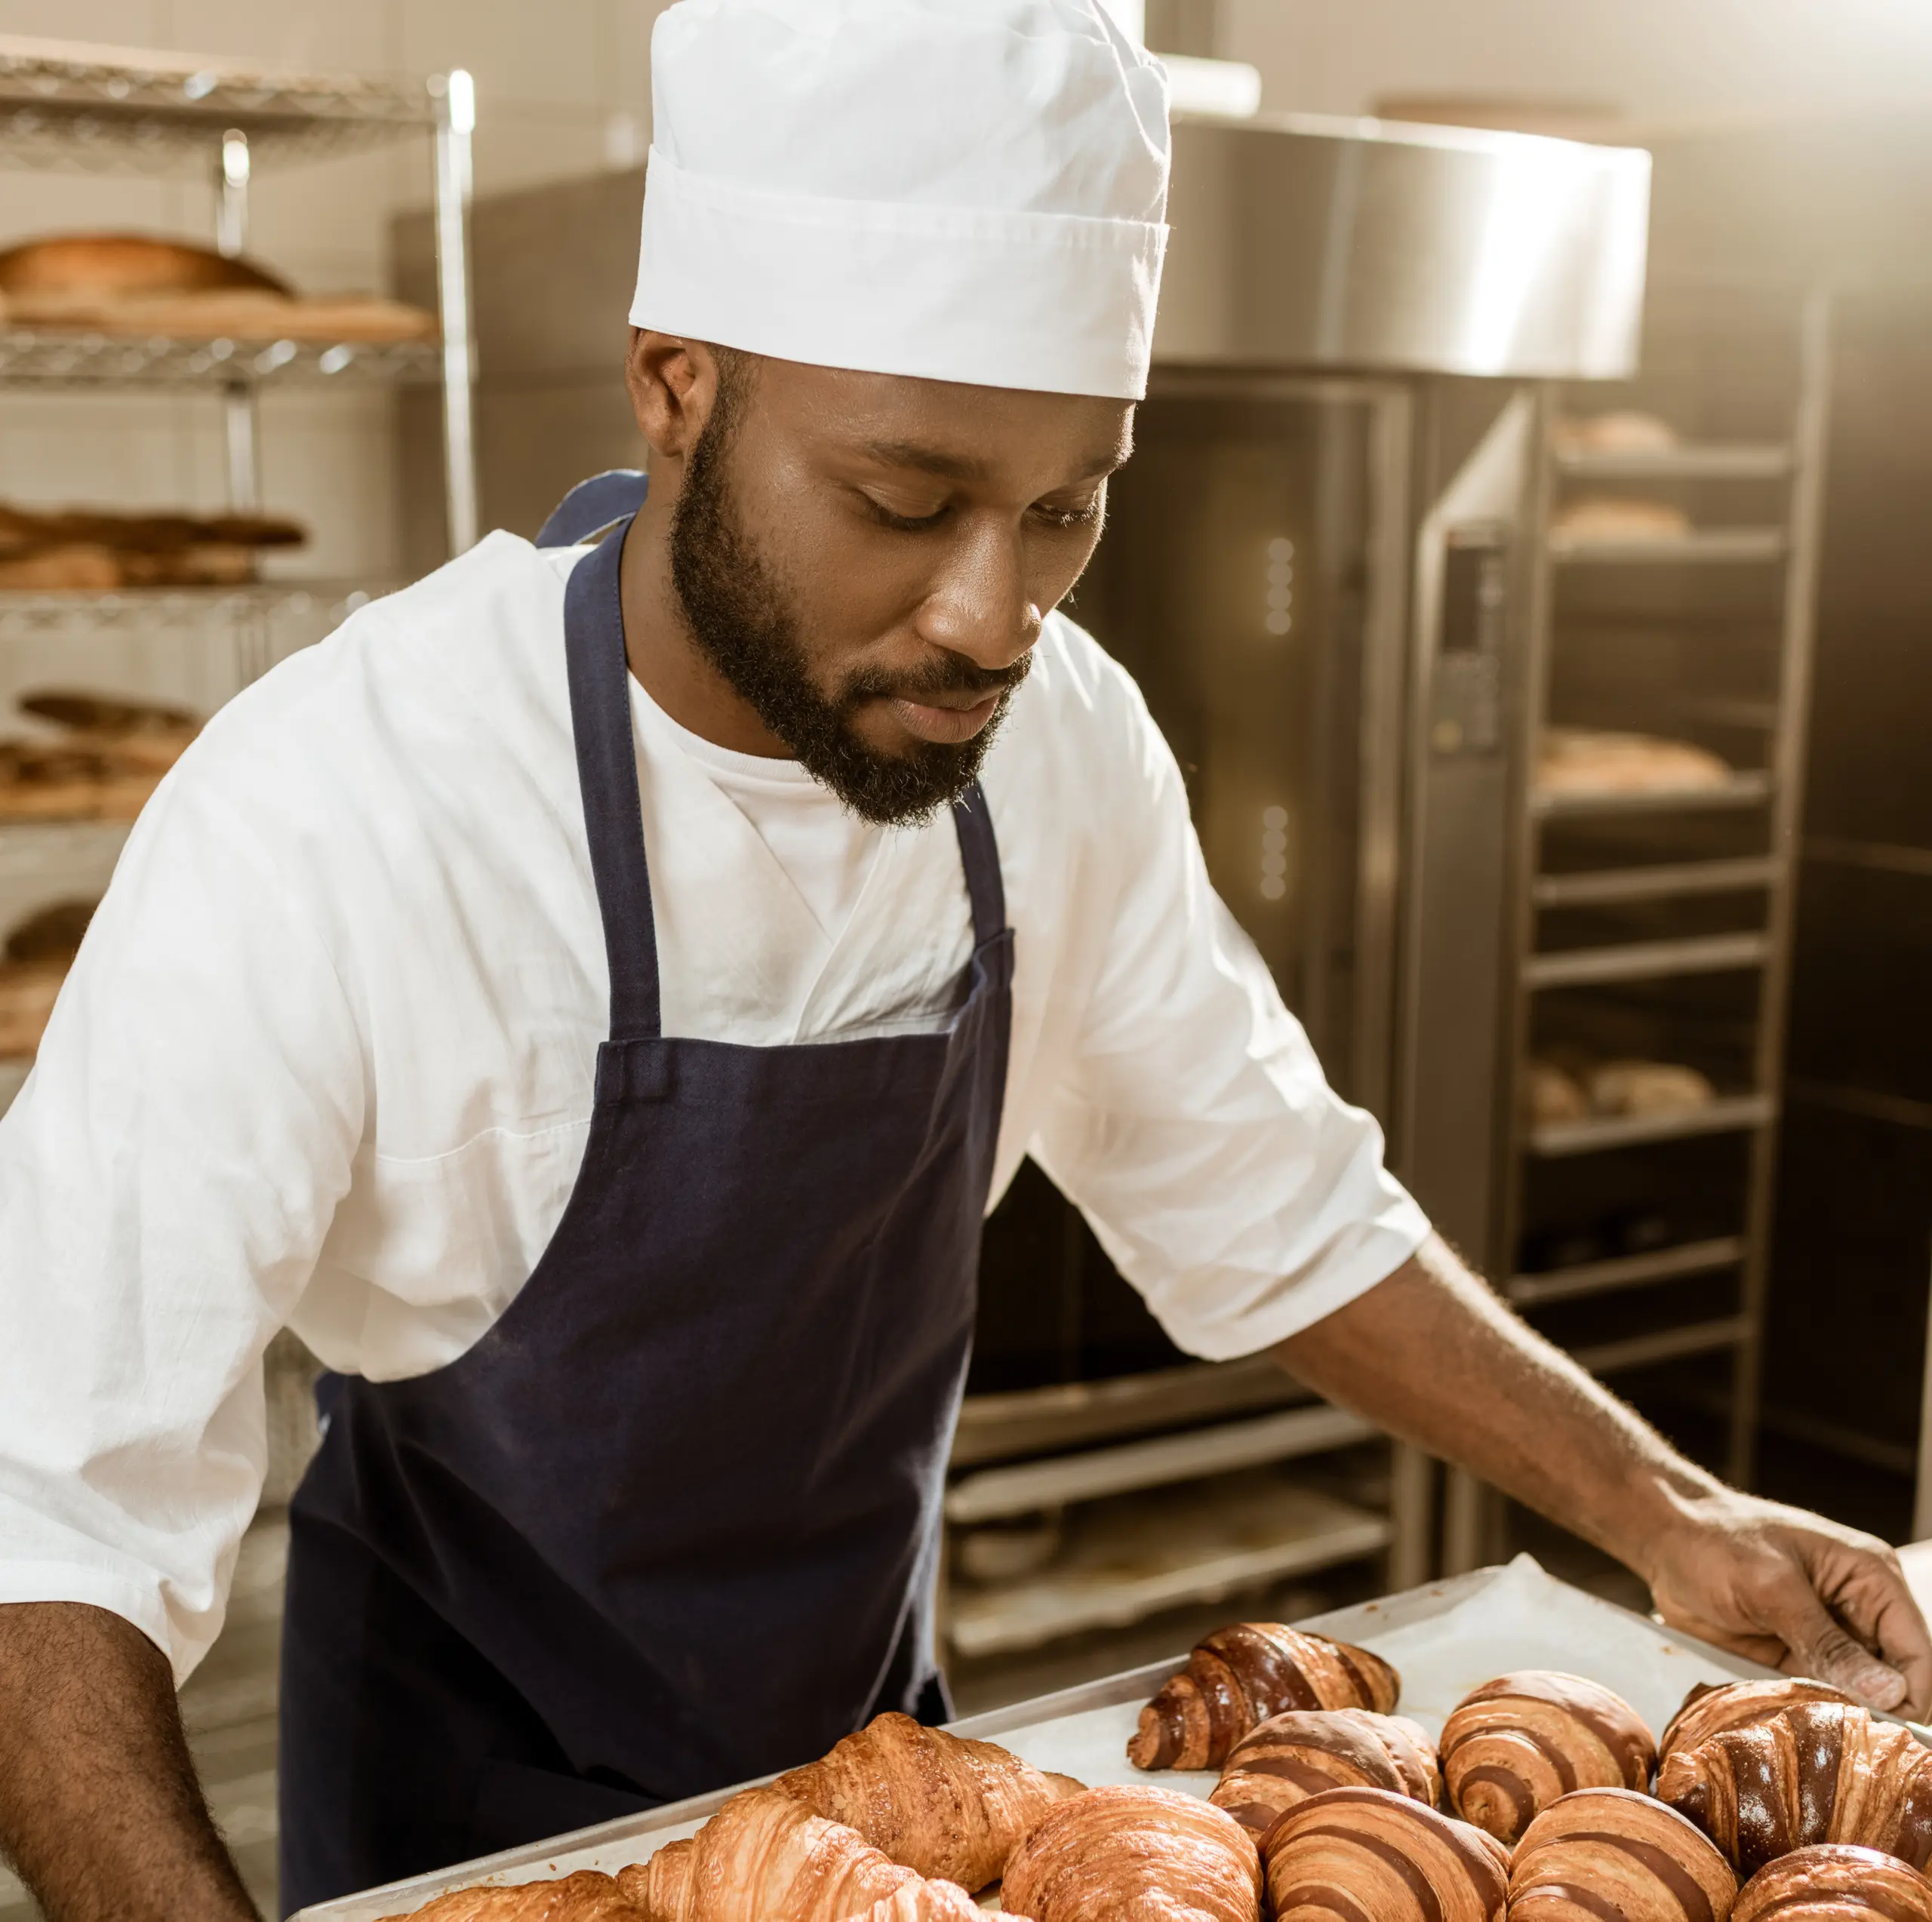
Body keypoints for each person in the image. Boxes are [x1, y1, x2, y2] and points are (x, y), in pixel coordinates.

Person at [0, 4, 1925, 1920]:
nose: (988, 616)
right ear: (675, 383)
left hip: (889, 1812)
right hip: (480, 1839)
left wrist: (1671, 1514)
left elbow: (1267, 1197)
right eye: (904, 503)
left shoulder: (1054, 741)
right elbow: (48, 1509)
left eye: (1066, 508)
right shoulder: (342, 800)